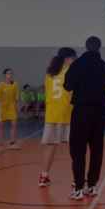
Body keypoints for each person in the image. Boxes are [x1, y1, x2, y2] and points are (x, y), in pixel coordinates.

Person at [64, 36, 105, 200]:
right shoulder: (104, 66)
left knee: (78, 149)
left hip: (81, 111)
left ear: (86, 46)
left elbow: (67, 86)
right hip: (99, 112)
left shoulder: (77, 65)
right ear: (99, 47)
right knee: (96, 149)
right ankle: (92, 186)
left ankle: (78, 188)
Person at [39, 47, 76, 188]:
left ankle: (43, 176)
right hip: (67, 114)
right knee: (74, 148)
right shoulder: (71, 71)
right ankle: (76, 179)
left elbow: (47, 92)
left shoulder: (50, 73)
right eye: (73, 58)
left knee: (50, 147)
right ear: (68, 59)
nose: (74, 61)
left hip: (52, 115)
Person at [0, 69, 20, 150]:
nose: (10, 75)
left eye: (11, 74)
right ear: (4, 75)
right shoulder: (0, 85)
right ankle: (1, 144)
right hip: (2, 108)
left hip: (11, 107)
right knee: (1, 126)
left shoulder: (15, 85)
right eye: (8, 74)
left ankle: (12, 143)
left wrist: (17, 107)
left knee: (14, 124)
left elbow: (16, 98)